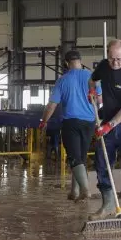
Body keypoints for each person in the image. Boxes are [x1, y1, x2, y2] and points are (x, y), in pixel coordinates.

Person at [88, 39, 121, 220]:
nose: (115, 63)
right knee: (102, 161)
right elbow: (92, 80)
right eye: (112, 59)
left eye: (119, 59)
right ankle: (108, 204)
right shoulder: (104, 66)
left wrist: (108, 126)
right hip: (108, 122)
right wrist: (92, 91)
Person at [40, 50, 97, 202]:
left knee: (74, 157)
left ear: (66, 63)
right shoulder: (91, 77)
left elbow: (52, 105)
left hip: (71, 122)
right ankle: (75, 191)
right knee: (81, 158)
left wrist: (44, 121)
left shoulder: (62, 80)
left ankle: (85, 190)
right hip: (89, 122)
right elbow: (99, 99)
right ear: (80, 60)